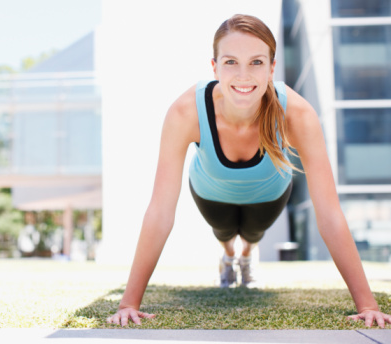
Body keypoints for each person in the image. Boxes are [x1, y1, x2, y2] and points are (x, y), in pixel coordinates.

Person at [106, 14, 391, 328]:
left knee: (252, 233)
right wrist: (128, 302)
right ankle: (229, 255)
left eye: (256, 62)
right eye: (231, 62)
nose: (243, 75)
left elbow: (329, 213)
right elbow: (160, 211)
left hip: (269, 193)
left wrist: (367, 304)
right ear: (214, 67)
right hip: (210, 191)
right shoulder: (185, 111)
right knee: (224, 231)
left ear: (271, 67)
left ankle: (245, 255)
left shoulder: (296, 114)